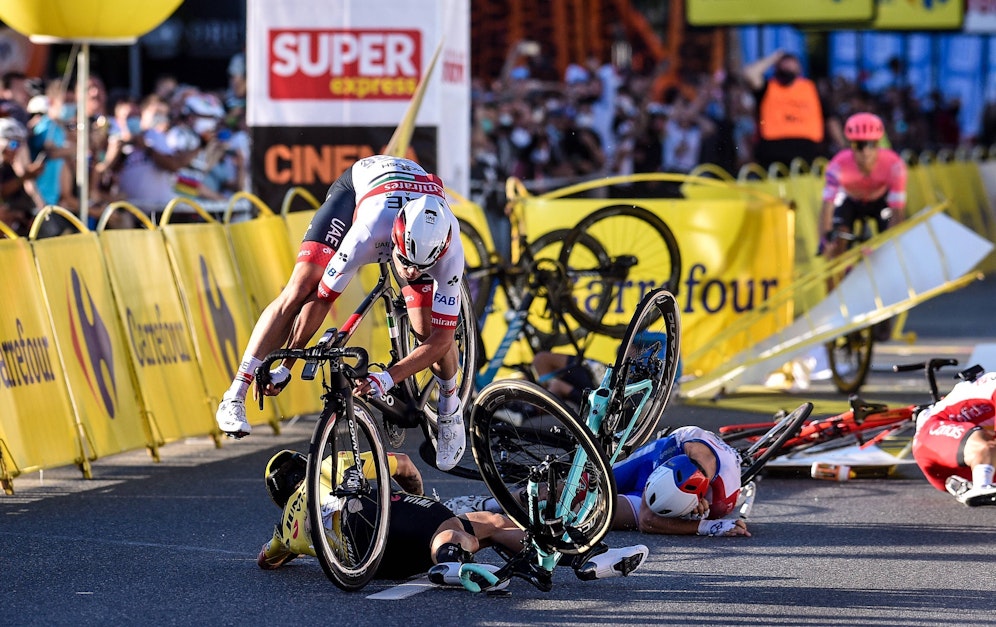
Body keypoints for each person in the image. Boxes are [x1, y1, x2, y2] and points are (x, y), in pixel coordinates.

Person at [214, 155, 469, 470]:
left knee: (427, 330)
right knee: (301, 287)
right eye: (404, 262)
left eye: (421, 267)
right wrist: (286, 364)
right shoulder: (368, 230)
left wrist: (386, 379)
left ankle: (450, 406)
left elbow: (442, 340)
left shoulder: (451, 249)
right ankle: (235, 393)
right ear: (395, 240)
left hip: (418, 201)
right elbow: (322, 299)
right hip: (364, 189)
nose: (411, 272)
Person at [257, 449, 649, 585]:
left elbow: (266, 559)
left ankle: (578, 559)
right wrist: (419, 501)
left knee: (490, 525)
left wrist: (290, 549)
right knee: (449, 524)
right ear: (304, 466)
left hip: (376, 566)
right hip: (373, 524)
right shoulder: (326, 466)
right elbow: (405, 465)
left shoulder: (284, 530)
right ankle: (451, 562)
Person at [446, 426, 752, 538]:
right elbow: (650, 513)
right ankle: (487, 503)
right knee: (574, 490)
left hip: (678, 484)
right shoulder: (686, 449)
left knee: (586, 513)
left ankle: (501, 521)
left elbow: (647, 521)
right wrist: (701, 528)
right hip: (652, 463)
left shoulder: (721, 504)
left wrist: (707, 525)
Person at [818, 112, 907, 297]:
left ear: (878, 145)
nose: (865, 151)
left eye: (871, 145)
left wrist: (891, 241)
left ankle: (889, 296)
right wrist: (825, 240)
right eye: (859, 146)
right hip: (851, 200)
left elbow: (897, 211)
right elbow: (827, 206)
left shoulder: (895, 165)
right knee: (836, 243)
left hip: (880, 202)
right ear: (851, 146)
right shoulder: (837, 165)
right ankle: (834, 302)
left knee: (890, 247)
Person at [912, 370, 996, 506]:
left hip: (967, 465)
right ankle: (982, 486)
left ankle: (980, 482)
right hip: (932, 436)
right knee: (986, 446)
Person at [742, 50, 824, 169]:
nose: (787, 67)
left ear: (799, 69)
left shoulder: (811, 89)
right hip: (773, 152)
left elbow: (829, 118)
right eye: (784, 64)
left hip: (806, 152)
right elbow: (749, 74)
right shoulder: (767, 88)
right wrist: (774, 57)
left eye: (791, 64)